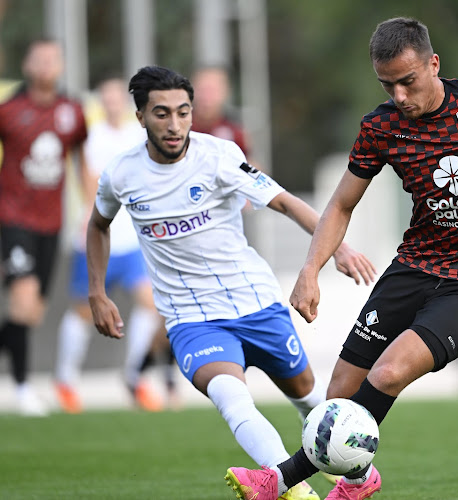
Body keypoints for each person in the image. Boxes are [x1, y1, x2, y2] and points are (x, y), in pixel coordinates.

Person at [224, 16, 458, 500]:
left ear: (433, 64)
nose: (400, 97)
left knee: (388, 373)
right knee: (340, 391)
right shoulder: (382, 128)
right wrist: (309, 269)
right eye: (388, 86)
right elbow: (341, 204)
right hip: (415, 268)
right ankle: (359, 483)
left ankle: (276, 481)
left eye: (408, 82)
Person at [87, 65, 376, 500]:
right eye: (161, 113)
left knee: (309, 399)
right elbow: (97, 225)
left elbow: (284, 201)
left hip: (255, 302)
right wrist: (97, 292)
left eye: (183, 112)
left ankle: (360, 476)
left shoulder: (219, 155)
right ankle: (294, 492)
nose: (174, 124)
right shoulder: (121, 175)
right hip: (191, 319)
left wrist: (337, 248)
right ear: (140, 116)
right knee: (232, 399)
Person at [54, 76, 169, 414]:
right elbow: (88, 182)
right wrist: (94, 222)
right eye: (107, 97)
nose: (113, 103)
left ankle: (134, 376)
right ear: (100, 102)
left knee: (149, 303)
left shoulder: (138, 136)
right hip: (99, 236)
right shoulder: (92, 137)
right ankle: (65, 379)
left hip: (133, 239)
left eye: (119, 97)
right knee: (83, 309)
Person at [0, 38, 88, 416]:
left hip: (52, 224)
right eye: (39, 58)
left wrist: (88, 207)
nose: (46, 65)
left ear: (62, 65)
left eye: (53, 58)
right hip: (13, 218)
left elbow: (81, 157)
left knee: (32, 312)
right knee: (22, 299)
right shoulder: (9, 111)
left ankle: (20, 383)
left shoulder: (72, 111)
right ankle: (21, 388)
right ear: (27, 65)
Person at [191, 66, 250, 157]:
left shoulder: (235, 131)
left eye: (212, 90)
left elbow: (248, 164)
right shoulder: (180, 127)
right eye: (202, 90)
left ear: (225, 92)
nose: (206, 97)